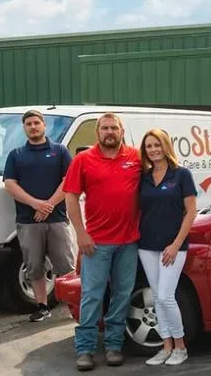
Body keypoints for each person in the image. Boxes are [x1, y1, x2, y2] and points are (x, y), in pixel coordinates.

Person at [63, 113, 142, 371]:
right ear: (98, 133)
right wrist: (81, 233)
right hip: (96, 244)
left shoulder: (135, 158)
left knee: (121, 295)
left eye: (114, 128)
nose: (110, 132)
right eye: (105, 128)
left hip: (129, 242)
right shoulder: (83, 160)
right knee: (92, 296)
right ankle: (85, 350)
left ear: (121, 131)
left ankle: (114, 346)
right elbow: (71, 198)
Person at [2, 109, 76, 322]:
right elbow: (9, 184)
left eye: (36, 123)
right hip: (28, 221)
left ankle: (74, 308)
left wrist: (49, 205)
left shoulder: (60, 151)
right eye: (28, 124)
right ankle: (42, 306)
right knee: (34, 266)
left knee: (65, 266)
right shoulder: (16, 155)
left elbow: (68, 181)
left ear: (44, 125)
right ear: (24, 128)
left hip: (57, 219)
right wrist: (36, 204)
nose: (33, 126)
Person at [136, 128, 198, 366]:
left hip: (173, 246)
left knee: (165, 296)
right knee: (157, 297)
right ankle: (166, 347)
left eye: (157, 145)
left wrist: (175, 244)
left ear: (165, 146)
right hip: (147, 245)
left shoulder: (181, 175)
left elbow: (191, 211)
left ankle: (180, 347)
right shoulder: (144, 176)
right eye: (149, 146)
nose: (153, 150)